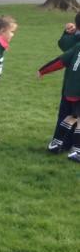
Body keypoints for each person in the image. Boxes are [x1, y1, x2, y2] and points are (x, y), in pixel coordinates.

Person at [37, 39, 80, 163]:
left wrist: (43, 70)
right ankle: (77, 151)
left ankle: (55, 144)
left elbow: (60, 61)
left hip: (70, 89)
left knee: (72, 116)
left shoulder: (77, 46)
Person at [46, 14, 80, 153]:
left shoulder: (75, 38)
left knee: (68, 113)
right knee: (71, 114)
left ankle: (61, 142)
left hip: (71, 85)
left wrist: (68, 32)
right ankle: (70, 145)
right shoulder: (76, 39)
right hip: (73, 83)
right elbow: (64, 45)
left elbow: (63, 44)